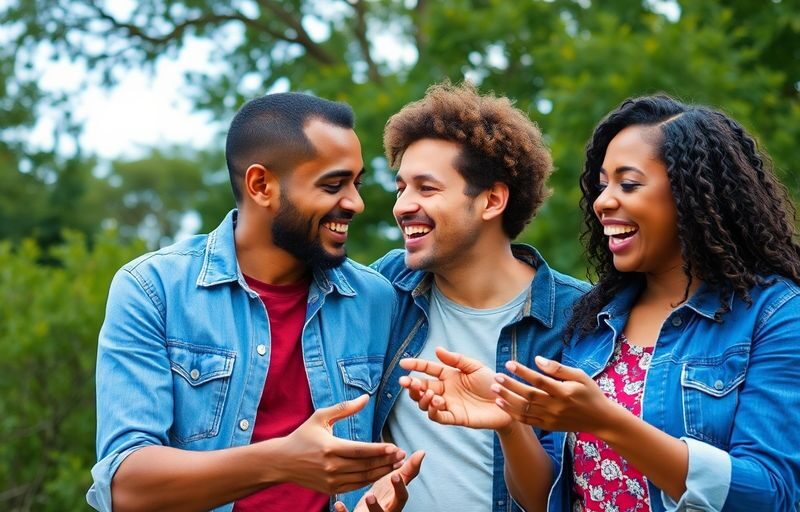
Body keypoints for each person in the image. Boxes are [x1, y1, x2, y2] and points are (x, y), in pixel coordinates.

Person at [402, 94, 800, 511]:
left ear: (691, 193)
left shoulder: (774, 316)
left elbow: (770, 494)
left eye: (628, 184)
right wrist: (510, 423)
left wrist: (607, 422)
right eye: (602, 185)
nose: (603, 201)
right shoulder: (596, 320)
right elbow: (545, 499)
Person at [87, 92, 423, 512]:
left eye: (356, 182)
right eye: (333, 185)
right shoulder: (153, 290)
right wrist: (282, 461)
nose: (356, 202)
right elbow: (125, 486)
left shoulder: (377, 299)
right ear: (261, 185)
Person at [369, 82, 589, 512]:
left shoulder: (578, 317)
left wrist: (510, 421)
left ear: (492, 200)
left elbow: (555, 500)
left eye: (426, 189)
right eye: (401, 188)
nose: (401, 205)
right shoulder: (385, 286)